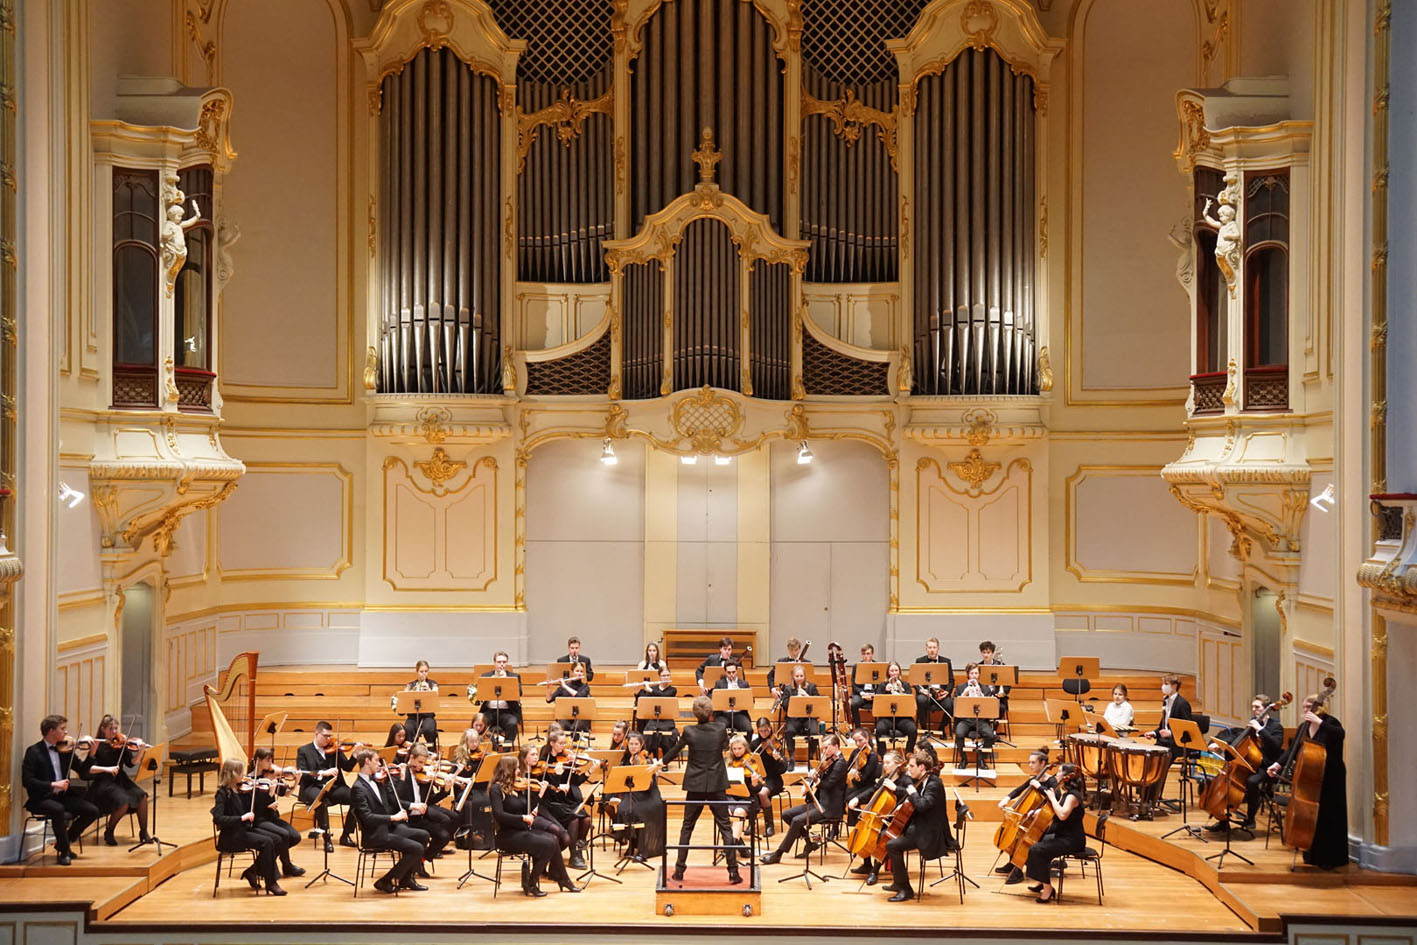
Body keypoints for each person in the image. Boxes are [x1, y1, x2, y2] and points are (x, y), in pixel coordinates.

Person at [662, 695, 741, 884]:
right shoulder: (721, 728)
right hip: (716, 784)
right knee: (725, 827)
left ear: (695, 713)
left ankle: (679, 871)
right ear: (711, 712)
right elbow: (723, 746)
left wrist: (661, 762)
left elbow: (675, 751)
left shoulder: (689, 731)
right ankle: (733, 872)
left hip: (695, 785)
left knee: (687, 827)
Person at [1267, 693, 1348, 869]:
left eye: (1308, 707)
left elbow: (1340, 735)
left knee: (1328, 815)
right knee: (1313, 816)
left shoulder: (1330, 723)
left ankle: (1331, 858)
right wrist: (1277, 765)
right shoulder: (1304, 727)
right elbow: (1292, 751)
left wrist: (1320, 723)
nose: (1305, 711)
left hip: (1331, 776)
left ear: (1319, 707)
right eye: (1303, 708)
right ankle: (1311, 853)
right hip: (1311, 777)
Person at [488, 755, 580, 897]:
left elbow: (527, 808)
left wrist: (540, 795)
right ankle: (534, 882)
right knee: (549, 843)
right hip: (507, 835)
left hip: (521, 830)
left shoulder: (516, 787)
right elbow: (499, 815)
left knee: (553, 839)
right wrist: (522, 818)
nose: (519, 771)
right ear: (508, 770)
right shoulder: (496, 789)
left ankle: (561, 880)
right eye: (516, 768)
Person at [21, 715, 98, 865]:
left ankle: (65, 842)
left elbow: (83, 772)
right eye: (62, 729)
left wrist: (92, 754)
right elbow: (27, 781)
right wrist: (52, 784)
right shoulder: (34, 752)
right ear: (51, 731)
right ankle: (64, 852)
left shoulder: (65, 750)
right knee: (58, 810)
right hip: (41, 798)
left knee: (92, 811)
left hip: (63, 796)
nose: (66, 731)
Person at [349, 748, 430, 893]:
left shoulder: (378, 781)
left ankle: (406, 878)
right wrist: (394, 817)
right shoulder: (358, 788)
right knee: (416, 848)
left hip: (389, 828)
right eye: (376, 761)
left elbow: (393, 800)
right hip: (375, 834)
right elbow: (367, 818)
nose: (379, 764)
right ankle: (385, 881)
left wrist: (394, 783)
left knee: (423, 835)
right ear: (367, 762)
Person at [759, 733, 846, 865]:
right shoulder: (829, 760)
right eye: (823, 748)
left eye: (826, 748)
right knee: (786, 815)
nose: (824, 751)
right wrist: (809, 783)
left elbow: (827, 785)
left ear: (835, 746)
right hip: (818, 803)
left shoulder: (840, 764)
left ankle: (778, 854)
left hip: (829, 807)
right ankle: (809, 843)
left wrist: (816, 779)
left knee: (797, 820)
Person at [1206, 694, 1285, 833]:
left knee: (1252, 782)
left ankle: (1250, 819)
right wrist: (1219, 745)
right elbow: (1239, 737)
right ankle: (1223, 821)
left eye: (1258, 707)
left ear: (1266, 709)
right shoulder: (1253, 722)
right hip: (1248, 763)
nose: (1254, 710)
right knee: (1227, 780)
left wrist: (1260, 730)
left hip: (1266, 766)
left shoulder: (1276, 727)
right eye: (1253, 707)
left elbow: (1276, 745)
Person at [881, 749, 953, 901]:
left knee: (892, 845)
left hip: (929, 833)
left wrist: (912, 793)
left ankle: (905, 889)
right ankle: (898, 881)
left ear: (922, 767)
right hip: (919, 826)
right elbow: (913, 796)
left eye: (912, 766)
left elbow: (922, 805)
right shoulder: (923, 780)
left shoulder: (935, 784)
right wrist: (903, 797)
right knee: (885, 835)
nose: (908, 769)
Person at [210, 758, 286, 895]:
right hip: (231, 836)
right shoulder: (222, 793)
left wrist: (268, 799)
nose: (244, 775)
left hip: (244, 830)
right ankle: (271, 882)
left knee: (277, 839)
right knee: (267, 842)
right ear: (232, 774)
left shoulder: (241, 790)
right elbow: (218, 818)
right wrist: (241, 818)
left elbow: (254, 808)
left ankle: (253, 872)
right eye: (241, 772)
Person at [1021, 764, 1088, 903]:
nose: (1056, 775)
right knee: (1035, 842)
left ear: (1066, 777)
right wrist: (1038, 812)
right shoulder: (1066, 793)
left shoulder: (1073, 796)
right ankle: (1042, 880)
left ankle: (1048, 889)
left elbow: (1063, 815)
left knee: (1037, 850)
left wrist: (1052, 797)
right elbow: (1056, 811)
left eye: (1058, 772)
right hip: (1063, 835)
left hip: (1072, 840)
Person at [86, 713, 151, 846]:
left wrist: (141, 751)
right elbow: (89, 767)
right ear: (103, 729)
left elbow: (131, 763)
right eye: (111, 729)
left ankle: (143, 832)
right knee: (123, 802)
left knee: (142, 796)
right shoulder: (98, 745)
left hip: (120, 779)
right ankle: (109, 831)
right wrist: (96, 756)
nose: (115, 732)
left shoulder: (121, 744)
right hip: (104, 782)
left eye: (116, 728)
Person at [847, 748, 908, 884]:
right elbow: (872, 792)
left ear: (898, 764)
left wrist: (895, 789)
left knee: (882, 837)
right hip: (881, 818)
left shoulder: (905, 780)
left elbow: (911, 794)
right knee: (866, 832)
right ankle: (866, 864)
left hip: (897, 821)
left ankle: (874, 871)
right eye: (884, 762)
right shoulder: (884, 780)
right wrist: (857, 799)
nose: (884, 765)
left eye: (888, 762)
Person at [295, 721, 358, 852]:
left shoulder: (334, 749)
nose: (328, 739)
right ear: (316, 733)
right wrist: (323, 773)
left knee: (357, 797)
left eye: (330, 736)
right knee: (320, 800)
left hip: (334, 788)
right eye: (325, 736)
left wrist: (355, 755)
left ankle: (346, 835)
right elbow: (304, 774)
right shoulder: (304, 751)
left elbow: (347, 767)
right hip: (312, 787)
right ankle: (326, 838)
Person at [538, 731, 597, 869]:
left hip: (566, 800)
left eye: (565, 743)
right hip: (552, 803)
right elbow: (550, 791)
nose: (564, 746)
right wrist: (557, 776)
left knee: (586, 820)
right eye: (560, 743)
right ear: (551, 744)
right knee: (575, 819)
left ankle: (578, 850)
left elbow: (574, 781)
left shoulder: (565, 759)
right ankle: (574, 855)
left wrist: (589, 772)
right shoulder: (544, 762)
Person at [998, 747, 1054, 882]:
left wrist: (1039, 787)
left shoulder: (1051, 781)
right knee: (1016, 835)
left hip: (1044, 820)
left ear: (1042, 764)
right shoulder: (1035, 778)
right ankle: (1012, 862)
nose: (1030, 765)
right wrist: (1007, 798)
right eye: (1029, 762)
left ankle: (1018, 869)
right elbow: (1019, 790)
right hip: (1030, 818)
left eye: (1033, 762)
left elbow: (1055, 796)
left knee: (1023, 840)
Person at [247, 747, 304, 878]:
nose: (270, 764)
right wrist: (269, 798)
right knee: (283, 836)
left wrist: (296, 782)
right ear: (258, 761)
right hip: (259, 819)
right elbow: (251, 805)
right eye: (267, 761)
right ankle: (285, 865)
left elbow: (287, 793)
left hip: (272, 818)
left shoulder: (271, 775)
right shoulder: (250, 780)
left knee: (295, 836)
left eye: (271, 760)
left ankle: (264, 863)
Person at [393, 743, 456, 858]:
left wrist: (445, 791)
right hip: (405, 819)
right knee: (422, 836)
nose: (422, 766)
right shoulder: (400, 774)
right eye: (420, 762)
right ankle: (415, 865)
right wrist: (413, 805)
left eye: (424, 763)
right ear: (412, 758)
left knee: (444, 836)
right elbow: (395, 801)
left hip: (421, 818)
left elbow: (429, 800)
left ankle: (423, 858)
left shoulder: (423, 776)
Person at [613, 730, 666, 861]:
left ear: (642, 745)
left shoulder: (646, 760)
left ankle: (643, 850)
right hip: (633, 794)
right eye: (631, 744)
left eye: (636, 744)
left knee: (639, 812)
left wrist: (652, 773)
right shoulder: (625, 760)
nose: (633, 747)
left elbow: (649, 784)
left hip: (648, 796)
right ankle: (632, 844)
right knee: (623, 809)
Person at [952, 663, 999, 767]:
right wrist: (964, 694)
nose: (974, 675)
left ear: (979, 675)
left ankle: (981, 758)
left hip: (980, 720)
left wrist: (981, 695)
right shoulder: (960, 687)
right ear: (968, 674)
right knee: (959, 734)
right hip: (965, 720)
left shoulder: (985, 689)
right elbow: (954, 707)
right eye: (971, 673)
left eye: (976, 673)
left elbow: (989, 708)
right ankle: (964, 759)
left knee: (990, 736)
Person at [749, 716, 788, 837]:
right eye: (761, 731)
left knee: (762, 793)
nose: (764, 733)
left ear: (770, 728)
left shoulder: (777, 744)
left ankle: (769, 825)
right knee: (749, 790)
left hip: (774, 779)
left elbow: (783, 769)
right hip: (760, 777)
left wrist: (778, 760)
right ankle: (751, 823)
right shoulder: (754, 745)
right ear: (757, 730)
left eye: (766, 730)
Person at [478, 651, 523, 743]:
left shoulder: (514, 676)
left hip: (507, 712)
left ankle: (506, 750)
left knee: (512, 723)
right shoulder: (486, 676)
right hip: (489, 711)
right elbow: (480, 694)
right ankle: (490, 746)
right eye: (499, 662)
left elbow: (519, 693)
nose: (502, 664)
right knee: (479, 723)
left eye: (504, 662)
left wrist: (506, 680)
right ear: (494, 663)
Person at [874, 661, 917, 755]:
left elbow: (910, 703)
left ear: (899, 672)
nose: (894, 673)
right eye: (892, 671)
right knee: (879, 729)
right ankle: (882, 754)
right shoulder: (882, 685)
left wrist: (901, 690)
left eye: (896, 670)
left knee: (912, 729)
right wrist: (885, 691)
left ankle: (908, 753)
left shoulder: (905, 685)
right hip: (887, 717)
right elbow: (877, 703)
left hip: (903, 718)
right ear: (888, 673)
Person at [635, 665, 679, 758]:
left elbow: (664, 696)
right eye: (663, 675)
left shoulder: (672, 690)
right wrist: (637, 692)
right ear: (659, 676)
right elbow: (644, 701)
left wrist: (650, 690)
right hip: (654, 720)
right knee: (649, 732)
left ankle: (665, 760)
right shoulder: (654, 689)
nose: (666, 677)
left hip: (667, 720)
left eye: (668, 675)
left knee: (666, 735)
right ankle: (647, 757)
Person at [781, 665, 822, 761]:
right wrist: (795, 700)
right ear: (793, 677)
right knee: (789, 731)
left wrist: (807, 697)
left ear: (805, 676)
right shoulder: (788, 689)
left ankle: (811, 756)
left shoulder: (812, 687)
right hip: (793, 718)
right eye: (797, 676)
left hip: (809, 717)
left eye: (801, 676)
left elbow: (818, 703)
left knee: (814, 732)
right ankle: (792, 757)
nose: (799, 678)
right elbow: (785, 705)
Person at [914, 637, 956, 732]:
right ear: (926, 648)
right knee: (920, 700)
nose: (932, 650)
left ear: (938, 648)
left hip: (941, 694)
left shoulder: (946, 661)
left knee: (950, 704)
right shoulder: (919, 661)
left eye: (934, 647)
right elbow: (915, 681)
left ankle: (941, 729)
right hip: (926, 694)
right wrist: (921, 690)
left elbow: (951, 680)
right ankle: (924, 729)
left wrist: (946, 692)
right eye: (930, 647)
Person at [1147, 673, 1194, 756]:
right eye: (1163, 684)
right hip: (1164, 741)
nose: (1163, 686)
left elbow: (1187, 728)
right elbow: (1164, 726)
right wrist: (1154, 733)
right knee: (1149, 756)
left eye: (1166, 684)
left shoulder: (1182, 704)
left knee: (1157, 761)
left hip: (1176, 744)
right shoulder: (1166, 701)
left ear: (1174, 686)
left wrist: (1170, 733)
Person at [399, 659, 440, 747]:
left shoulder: (433, 684)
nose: (424, 674)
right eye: (421, 671)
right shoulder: (410, 685)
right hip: (413, 716)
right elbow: (404, 700)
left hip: (428, 716)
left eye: (426, 671)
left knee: (429, 729)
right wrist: (411, 693)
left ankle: (431, 751)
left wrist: (429, 690)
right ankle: (411, 752)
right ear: (417, 671)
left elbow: (435, 698)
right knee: (408, 728)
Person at [843, 727, 882, 816]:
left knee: (850, 798)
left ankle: (856, 824)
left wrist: (857, 773)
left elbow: (864, 778)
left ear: (867, 738)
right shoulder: (855, 752)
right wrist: (849, 772)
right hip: (858, 783)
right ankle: (836, 824)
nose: (858, 744)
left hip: (868, 785)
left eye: (860, 740)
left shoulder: (873, 756)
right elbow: (847, 767)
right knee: (839, 792)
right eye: (855, 741)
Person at [546, 660, 592, 734]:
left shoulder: (585, 687)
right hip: (566, 716)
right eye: (577, 671)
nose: (579, 673)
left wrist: (565, 686)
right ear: (572, 672)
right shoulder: (564, 686)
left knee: (576, 727)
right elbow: (549, 700)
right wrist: (548, 688)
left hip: (580, 717)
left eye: (581, 671)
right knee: (563, 725)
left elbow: (579, 696)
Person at [712, 661, 753, 734]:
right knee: (717, 731)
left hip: (739, 714)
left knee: (749, 730)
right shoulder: (719, 683)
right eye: (729, 672)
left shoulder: (744, 684)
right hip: (723, 715)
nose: (731, 675)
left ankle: (746, 745)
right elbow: (715, 701)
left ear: (737, 671)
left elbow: (751, 701)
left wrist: (739, 691)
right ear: (725, 672)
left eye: (733, 672)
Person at [850, 643, 880, 728]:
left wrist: (874, 693)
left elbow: (881, 683)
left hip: (874, 693)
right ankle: (858, 728)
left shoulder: (878, 666)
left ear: (872, 654)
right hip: (861, 693)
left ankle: (878, 728)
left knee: (883, 702)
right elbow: (853, 684)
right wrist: (862, 693)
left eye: (868, 654)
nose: (866, 656)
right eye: (864, 654)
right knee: (854, 704)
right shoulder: (857, 666)